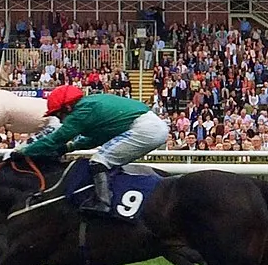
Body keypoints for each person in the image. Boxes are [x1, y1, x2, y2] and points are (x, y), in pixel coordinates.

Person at [17, 83, 170, 210]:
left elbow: (57, 138)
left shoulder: (81, 111)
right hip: (150, 126)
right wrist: (67, 148)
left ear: (68, 108)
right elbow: (96, 138)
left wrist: (24, 151)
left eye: (58, 115)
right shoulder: (89, 105)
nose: (60, 119)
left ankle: (103, 203)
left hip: (145, 129)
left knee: (99, 161)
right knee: (106, 160)